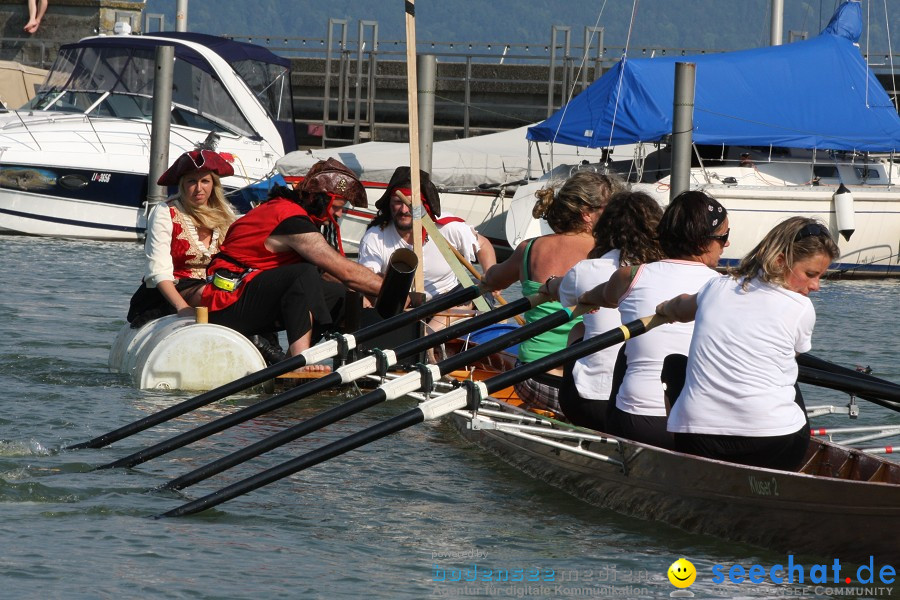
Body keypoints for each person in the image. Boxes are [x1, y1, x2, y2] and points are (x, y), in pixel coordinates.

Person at [657, 217, 839, 471]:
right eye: (810, 275)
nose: (816, 286)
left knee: (674, 364)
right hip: (775, 448)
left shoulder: (717, 285)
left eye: (820, 276)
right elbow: (789, 358)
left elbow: (680, 306)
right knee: (790, 376)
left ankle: (684, 462)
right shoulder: (801, 308)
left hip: (699, 442)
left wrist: (663, 309)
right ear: (779, 261)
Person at [577, 190, 729, 449]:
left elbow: (599, 296)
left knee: (625, 344)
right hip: (705, 428)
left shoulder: (630, 276)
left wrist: (584, 301)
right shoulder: (729, 289)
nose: (726, 245)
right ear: (704, 243)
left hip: (639, 423)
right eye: (724, 238)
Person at [202, 158, 384, 364]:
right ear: (318, 199)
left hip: (246, 297)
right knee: (302, 274)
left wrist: (368, 294)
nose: (340, 214)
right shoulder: (289, 217)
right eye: (337, 207)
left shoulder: (292, 213)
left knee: (339, 295)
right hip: (225, 302)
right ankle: (298, 362)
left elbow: (333, 275)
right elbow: (344, 271)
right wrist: (395, 291)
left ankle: (287, 366)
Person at [480, 170, 624, 414]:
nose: (618, 217)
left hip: (532, 377)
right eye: (611, 210)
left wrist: (485, 274)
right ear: (587, 213)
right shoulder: (613, 254)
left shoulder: (530, 248)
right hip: (584, 385)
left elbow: (492, 278)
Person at [541, 190, 664, 430]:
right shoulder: (667, 272)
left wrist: (549, 284)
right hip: (660, 406)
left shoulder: (587, 270)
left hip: (591, 403)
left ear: (605, 229)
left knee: (578, 327)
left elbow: (560, 290)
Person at [126, 149, 237, 328]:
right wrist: (183, 308)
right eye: (192, 181)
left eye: (205, 181)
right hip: (173, 290)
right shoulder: (165, 212)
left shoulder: (227, 214)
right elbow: (158, 270)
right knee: (214, 295)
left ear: (214, 184)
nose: (199, 188)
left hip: (219, 287)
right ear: (182, 184)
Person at [358, 166, 497, 302]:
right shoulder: (374, 237)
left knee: (475, 289)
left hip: (450, 302)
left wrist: (492, 277)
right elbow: (368, 279)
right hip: (401, 306)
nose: (404, 209)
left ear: (424, 205)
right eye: (398, 202)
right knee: (363, 300)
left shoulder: (447, 227)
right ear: (389, 203)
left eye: (411, 204)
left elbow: (483, 245)